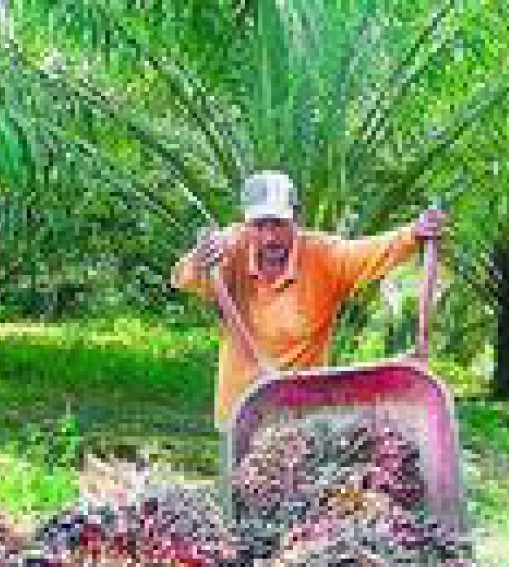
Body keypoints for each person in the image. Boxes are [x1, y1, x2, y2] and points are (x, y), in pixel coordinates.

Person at [171, 171, 447, 431]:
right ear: (246, 224)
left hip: (302, 414)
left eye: (278, 224)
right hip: (240, 411)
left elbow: (371, 251)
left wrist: (414, 233)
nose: (269, 237)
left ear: (296, 220)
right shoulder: (230, 248)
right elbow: (186, 278)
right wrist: (199, 261)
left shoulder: (324, 258)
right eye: (259, 225)